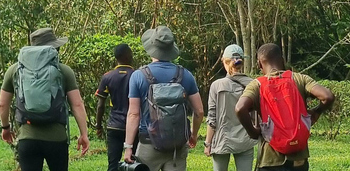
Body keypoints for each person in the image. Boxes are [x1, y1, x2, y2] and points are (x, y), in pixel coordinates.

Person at [0, 28, 90, 171]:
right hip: (57, 139)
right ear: (54, 48)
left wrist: (5, 128)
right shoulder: (63, 71)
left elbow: (2, 105)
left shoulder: (15, 70)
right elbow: (77, 104)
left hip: (27, 139)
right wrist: (84, 134)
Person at [236, 43, 334, 171]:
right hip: (299, 161)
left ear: (259, 64)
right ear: (282, 60)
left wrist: (253, 132)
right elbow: (328, 96)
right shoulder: (300, 79)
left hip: (270, 161)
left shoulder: (257, 85)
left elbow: (239, 108)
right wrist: (316, 111)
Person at [123, 25, 204, 171]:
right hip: (177, 146)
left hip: (149, 144)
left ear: (152, 48)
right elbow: (199, 111)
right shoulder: (185, 75)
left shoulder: (138, 76)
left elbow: (133, 114)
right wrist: (193, 134)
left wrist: (128, 147)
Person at [204, 44, 256, 171]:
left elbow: (212, 118)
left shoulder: (216, 86)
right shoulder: (253, 84)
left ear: (224, 62)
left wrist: (208, 143)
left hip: (222, 139)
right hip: (246, 138)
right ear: (242, 62)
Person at [96, 43, 136, 171]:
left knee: (112, 164)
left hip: (114, 126)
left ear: (116, 57)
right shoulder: (137, 75)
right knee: (134, 164)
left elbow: (100, 105)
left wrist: (98, 126)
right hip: (134, 127)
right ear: (129, 56)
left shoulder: (107, 76)